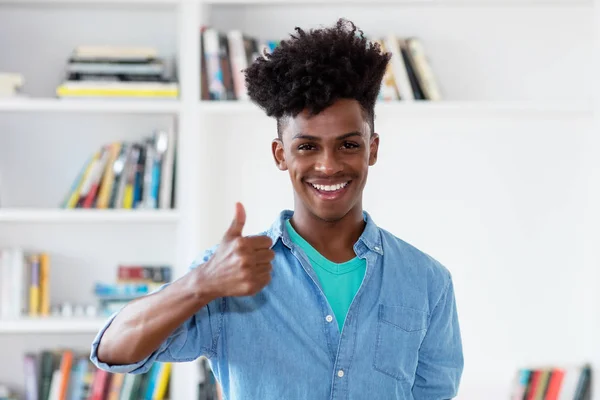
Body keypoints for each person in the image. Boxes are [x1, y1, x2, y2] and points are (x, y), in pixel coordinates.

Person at [90, 18, 464, 399]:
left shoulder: (428, 281)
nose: (328, 164)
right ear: (280, 154)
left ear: (373, 149)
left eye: (349, 145)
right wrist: (202, 284)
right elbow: (112, 351)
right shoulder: (228, 273)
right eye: (307, 146)